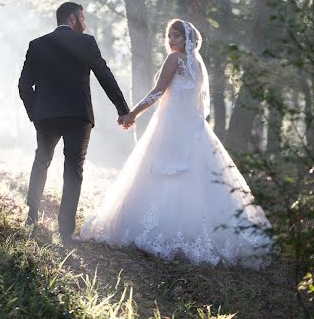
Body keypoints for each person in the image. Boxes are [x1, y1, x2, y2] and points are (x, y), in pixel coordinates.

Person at [81, 19, 274, 268]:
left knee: (161, 172)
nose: (172, 40)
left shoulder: (174, 59)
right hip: (193, 127)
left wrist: (132, 115)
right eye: (170, 36)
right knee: (198, 177)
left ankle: (163, 232)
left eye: (178, 37)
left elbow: (158, 92)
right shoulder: (198, 65)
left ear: (188, 40)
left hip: (171, 125)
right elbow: (196, 103)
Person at [18, 2, 130, 245]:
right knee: (73, 169)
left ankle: (31, 216)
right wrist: (123, 109)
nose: (85, 23)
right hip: (78, 117)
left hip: (46, 116)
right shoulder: (86, 42)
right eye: (83, 18)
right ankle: (66, 231)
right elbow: (105, 76)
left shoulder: (37, 44)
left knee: (41, 162)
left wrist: (36, 113)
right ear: (72, 19)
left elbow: (24, 86)